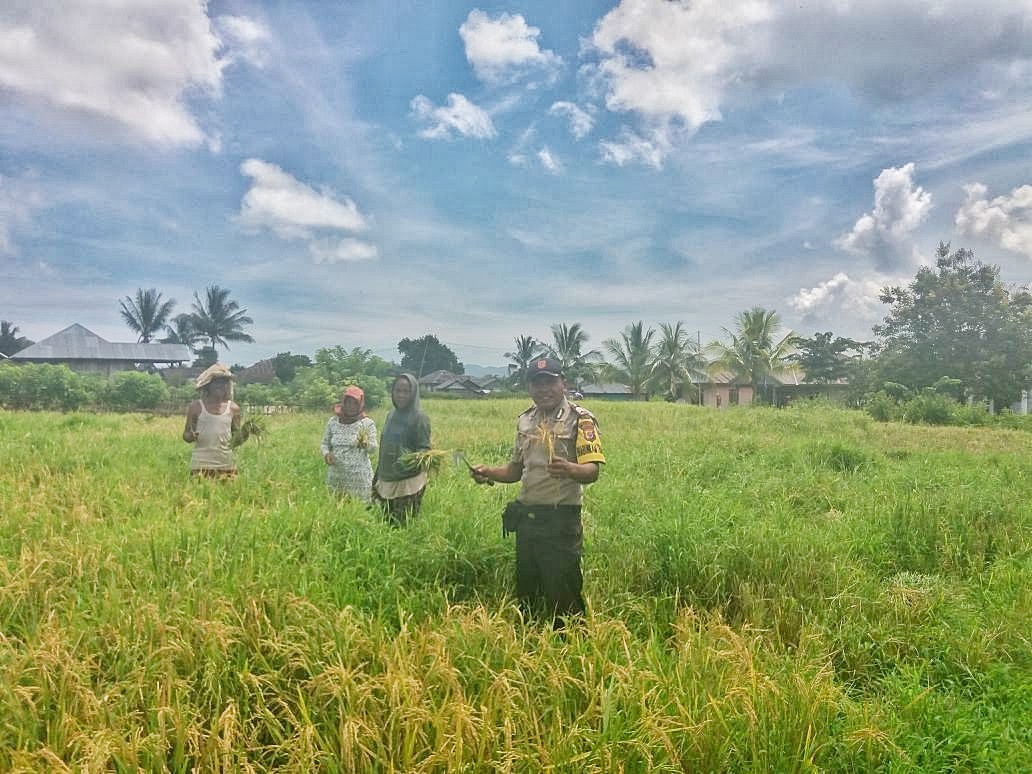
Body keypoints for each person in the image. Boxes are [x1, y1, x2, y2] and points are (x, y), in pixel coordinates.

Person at [471, 356, 605, 624]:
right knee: (528, 593)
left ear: (563, 384)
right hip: (527, 519)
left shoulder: (580, 419)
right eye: (537, 383)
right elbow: (514, 471)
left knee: (563, 594)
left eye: (550, 382)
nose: (543, 389)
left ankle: (571, 650)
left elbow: (592, 471)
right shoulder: (525, 421)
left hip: (560, 520)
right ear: (529, 387)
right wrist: (488, 472)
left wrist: (569, 468)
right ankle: (531, 648)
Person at [373, 373, 432, 525]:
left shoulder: (420, 418)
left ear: (413, 393)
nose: (401, 395)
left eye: (406, 391)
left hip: (408, 483)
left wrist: (409, 460)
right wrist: (377, 475)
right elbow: (385, 446)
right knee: (384, 523)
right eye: (398, 390)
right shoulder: (391, 415)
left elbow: (424, 449)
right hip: (387, 480)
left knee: (402, 525)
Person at [183, 363, 243, 478]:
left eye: (224, 382)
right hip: (201, 464)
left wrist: (245, 434)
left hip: (227, 464)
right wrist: (190, 436)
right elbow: (186, 435)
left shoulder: (233, 408)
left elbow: (236, 439)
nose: (221, 385)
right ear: (208, 385)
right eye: (217, 382)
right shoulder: (196, 407)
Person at [321, 385, 379, 503]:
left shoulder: (367, 423)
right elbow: (325, 444)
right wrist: (326, 454)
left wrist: (365, 444)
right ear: (343, 403)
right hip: (336, 477)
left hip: (359, 480)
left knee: (361, 510)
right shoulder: (333, 422)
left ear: (360, 405)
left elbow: (374, 448)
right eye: (348, 402)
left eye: (355, 403)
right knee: (336, 510)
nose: (351, 406)